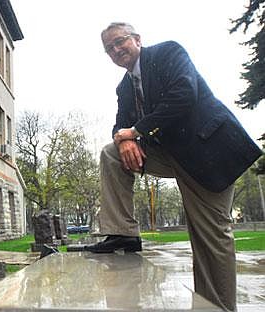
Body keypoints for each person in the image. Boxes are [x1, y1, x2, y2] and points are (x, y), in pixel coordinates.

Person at [84, 22, 263, 311]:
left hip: (208, 151)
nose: (116, 50)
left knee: (210, 238)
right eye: (109, 48)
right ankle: (123, 234)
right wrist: (124, 140)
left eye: (120, 42)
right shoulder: (125, 86)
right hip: (169, 154)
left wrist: (135, 131)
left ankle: (218, 307)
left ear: (137, 39)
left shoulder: (168, 53)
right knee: (112, 154)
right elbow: (120, 125)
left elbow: (183, 95)